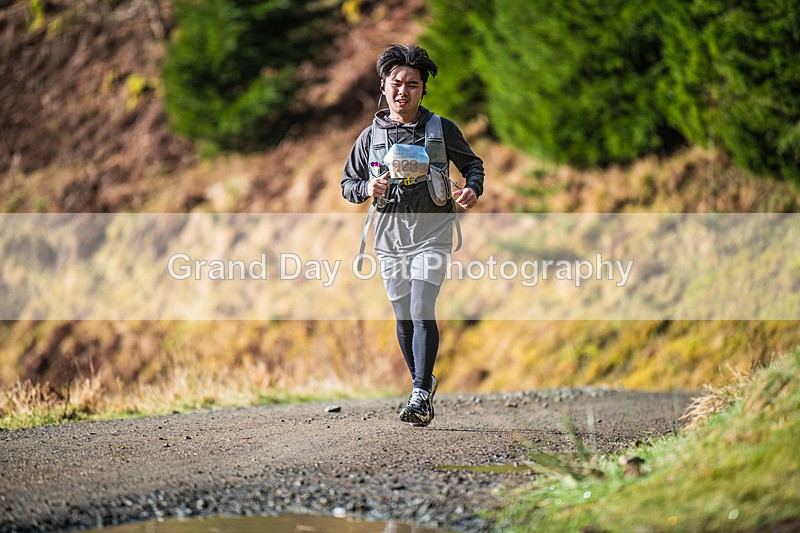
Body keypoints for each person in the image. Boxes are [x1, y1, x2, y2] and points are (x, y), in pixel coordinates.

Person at [341, 44, 485, 427]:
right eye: (397, 83)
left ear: (423, 90)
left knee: (422, 307)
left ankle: (420, 393)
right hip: (388, 236)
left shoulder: (440, 129)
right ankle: (422, 382)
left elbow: (473, 164)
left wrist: (472, 188)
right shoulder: (370, 136)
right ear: (384, 86)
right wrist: (366, 189)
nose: (403, 91)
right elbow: (348, 184)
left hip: (433, 231)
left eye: (413, 85)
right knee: (403, 315)